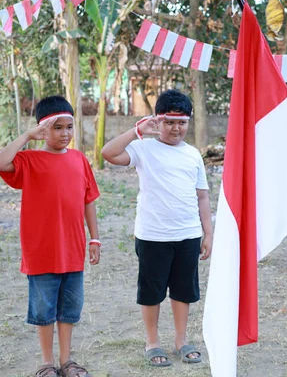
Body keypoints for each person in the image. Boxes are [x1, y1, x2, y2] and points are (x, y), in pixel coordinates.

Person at [101, 89, 213, 367]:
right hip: (153, 236)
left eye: (182, 122)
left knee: (183, 290)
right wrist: (136, 131)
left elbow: (202, 196)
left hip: (187, 235)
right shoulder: (143, 148)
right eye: (169, 122)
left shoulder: (193, 155)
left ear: (188, 122)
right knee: (151, 291)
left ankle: (181, 339)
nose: (176, 128)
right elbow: (108, 154)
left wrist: (208, 233)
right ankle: (152, 341)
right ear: (158, 121)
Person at [0, 96, 100, 377]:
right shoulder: (29, 160)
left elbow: (89, 200)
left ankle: (67, 361)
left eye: (69, 127)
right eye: (57, 128)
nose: (64, 134)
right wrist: (28, 136)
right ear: (43, 129)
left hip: (73, 249)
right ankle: (46, 363)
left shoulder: (79, 160)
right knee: (44, 311)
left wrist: (94, 238)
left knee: (69, 310)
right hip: (40, 250)